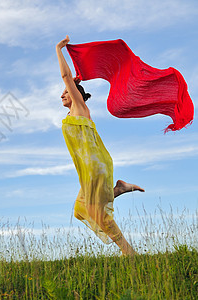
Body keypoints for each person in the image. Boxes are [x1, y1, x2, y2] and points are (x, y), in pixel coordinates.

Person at [56, 35, 145, 256]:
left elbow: (66, 76)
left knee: (98, 213)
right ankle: (119, 189)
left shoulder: (80, 108)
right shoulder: (73, 113)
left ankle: (129, 253)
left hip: (96, 165)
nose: (62, 95)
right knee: (80, 209)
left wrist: (59, 49)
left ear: (77, 94)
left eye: (66, 92)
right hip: (91, 167)